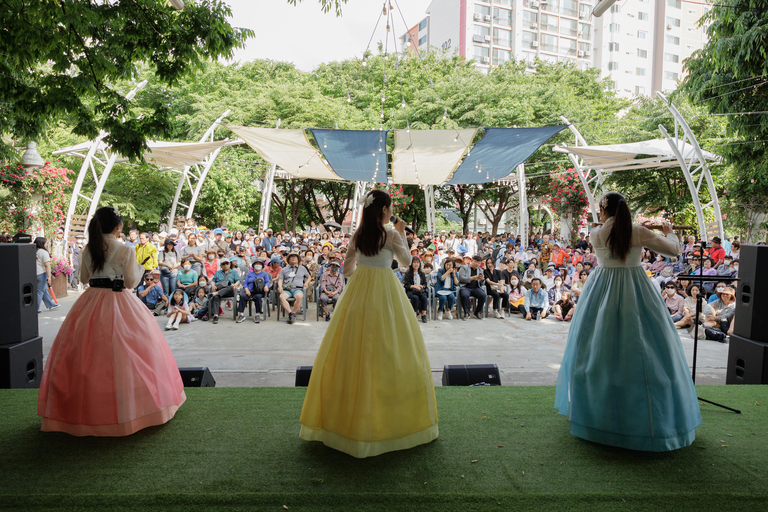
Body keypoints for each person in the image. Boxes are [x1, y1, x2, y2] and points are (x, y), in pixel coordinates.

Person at [555, 192, 701, 452]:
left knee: (597, 350)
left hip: (600, 290)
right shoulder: (638, 231)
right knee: (647, 350)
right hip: (636, 289)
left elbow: (610, 234)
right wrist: (670, 232)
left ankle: (598, 420)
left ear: (603, 210)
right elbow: (674, 251)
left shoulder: (595, 233)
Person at [300, 189, 438, 458]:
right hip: (386, 292)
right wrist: (401, 233)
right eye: (391, 207)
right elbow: (409, 262)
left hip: (358, 293)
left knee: (352, 348)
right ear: (385, 210)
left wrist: (365, 267)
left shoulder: (358, 235)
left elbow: (348, 269)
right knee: (391, 348)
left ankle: (343, 423)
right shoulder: (392, 234)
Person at [38, 206, 185, 436]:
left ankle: (86, 414)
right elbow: (129, 283)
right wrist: (138, 267)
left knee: (87, 355)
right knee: (129, 353)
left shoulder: (88, 248)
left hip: (90, 303)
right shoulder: (125, 250)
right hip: (119, 301)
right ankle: (132, 410)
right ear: (118, 227)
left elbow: (84, 278)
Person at [278, 252, 310, 324]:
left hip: (297, 289)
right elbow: (280, 279)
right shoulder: (284, 269)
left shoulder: (302, 268)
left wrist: (306, 283)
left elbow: (309, 277)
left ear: (298, 259)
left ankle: (293, 312)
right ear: (288, 260)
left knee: (300, 296)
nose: (293, 258)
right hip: (287, 289)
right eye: (291, 257)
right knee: (282, 297)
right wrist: (280, 286)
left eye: (295, 257)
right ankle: (291, 314)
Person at [236, 259, 271, 324]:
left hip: (259, 291)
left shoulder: (264, 274)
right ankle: (241, 314)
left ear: (262, 266)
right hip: (249, 290)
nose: (258, 265)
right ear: (253, 265)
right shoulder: (249, 274)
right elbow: (245, 283)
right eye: (256, 264)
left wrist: (266, 286)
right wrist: (246, 290)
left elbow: (267, 282)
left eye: (259, 264)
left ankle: (257, 315)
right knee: (243, 296)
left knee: (258, 297)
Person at [209, 258, 240, 324]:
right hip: (219, 289)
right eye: (223, 264)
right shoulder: (218, 273)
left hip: (229, 291)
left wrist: (235, 284)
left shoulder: (234, 272)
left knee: (231, 287)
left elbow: (238, 281)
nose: (225, 265)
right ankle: (215, 316)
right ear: (221, 266)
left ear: (229, 264)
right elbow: (213, 281)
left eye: (227, 263)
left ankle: (215, 293)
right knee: (216, 297)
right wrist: (213, 286)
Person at [458, 255, 487, 320]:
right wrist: (472, 278)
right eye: (476, 262)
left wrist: (482, 279)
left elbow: (482, 283)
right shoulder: (464, 267)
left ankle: (477, 312)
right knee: (464, 295)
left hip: (476, 288)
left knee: (483, 295)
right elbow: (461, 279)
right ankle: (466, 313)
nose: (477, 264)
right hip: (466, 287)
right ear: (472, 261)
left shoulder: (480, 270)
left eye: (479, 263)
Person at [35, 237, 59, 313]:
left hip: (34, 273)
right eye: (45, 242)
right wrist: (49, 277)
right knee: (40, 291)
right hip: (41, 273)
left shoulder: (34, 250)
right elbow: (47, 265)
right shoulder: (43, 252)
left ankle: (50, 304)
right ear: (42, 243)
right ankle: (36, 308)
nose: (46, 244)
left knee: (43, 289)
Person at [403, 256, 429, 323]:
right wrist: (414, 286)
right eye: (414, 262)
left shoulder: (422, 274)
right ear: (411, 264)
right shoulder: (408, 273)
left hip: (420, 291)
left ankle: (424, 315)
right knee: (415, 298)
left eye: (417, 263)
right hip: (411, 291)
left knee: (424, 297)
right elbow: (406, 285)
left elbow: (425, 284)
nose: (416, 264)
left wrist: (422, 286)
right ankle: (414, 314)